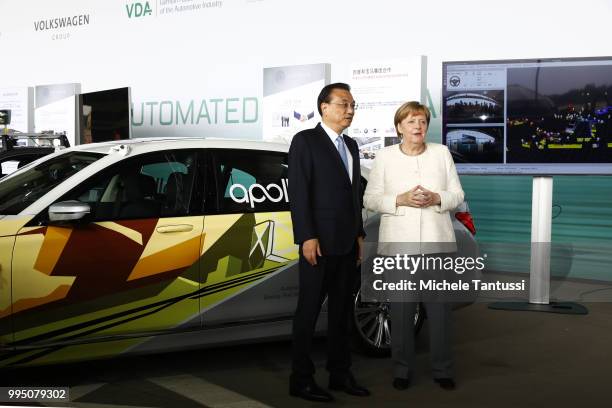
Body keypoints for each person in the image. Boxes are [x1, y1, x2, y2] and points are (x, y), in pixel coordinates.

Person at [363, 101, 465, 391]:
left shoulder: (441, 153)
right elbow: (369, 199)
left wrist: (437, 198)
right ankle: (402, 369)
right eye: (410, 122)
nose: (417, 127)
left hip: (437, 243)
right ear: (399, 127)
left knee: (440, 312)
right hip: (399, 247)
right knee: (401, 311)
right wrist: (399, 199)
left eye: (421, 121)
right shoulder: (384, 157)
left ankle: (443, 369)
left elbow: (457, 194)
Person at [288, 83, 370, 402]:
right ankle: (301, 378)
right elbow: (299, 192)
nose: (349, 110)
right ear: (324, 107)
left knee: (340, 313)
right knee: (308, 312)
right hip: (318, 244)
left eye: (353, 106)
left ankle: (340, 373)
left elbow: (354, 197)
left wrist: (359, 234)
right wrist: (306, 235)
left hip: (347, 243)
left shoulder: (350, 145)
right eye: (344, 104)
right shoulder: (305, 141)